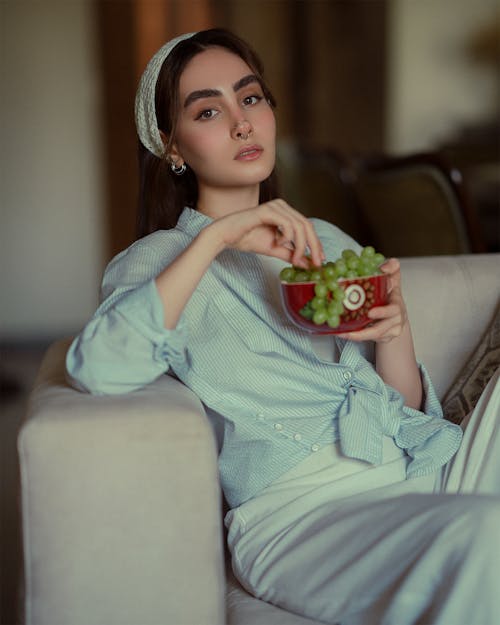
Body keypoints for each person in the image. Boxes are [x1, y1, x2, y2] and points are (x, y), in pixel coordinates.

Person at [66, 28, 500, 625]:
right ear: (173, 147)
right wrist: (218, 236)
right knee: (489, 534)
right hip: (305, 518)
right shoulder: (157, 262)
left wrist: (392, 331)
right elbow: (100, 367)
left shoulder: (326, 239)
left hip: (419, 475)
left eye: (251, 98)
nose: (242, 123)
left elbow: (398, 407)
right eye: (209, 110)